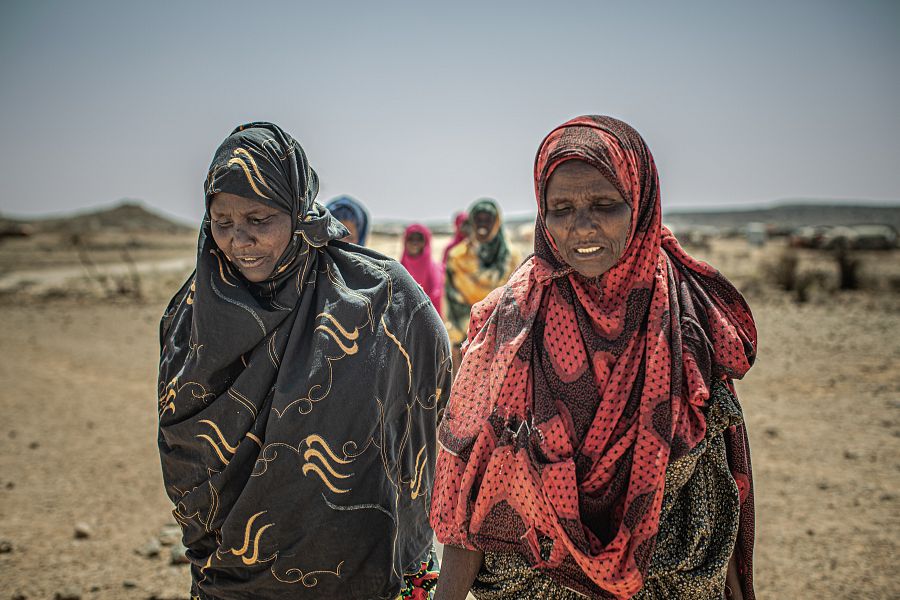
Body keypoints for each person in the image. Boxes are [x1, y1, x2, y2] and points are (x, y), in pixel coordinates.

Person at [430, 116, 757, 600]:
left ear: (640, 203)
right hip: (534, 582)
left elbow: (716, 478)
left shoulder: (686, 318)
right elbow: (472, 488)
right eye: (561, 209)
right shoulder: (513, 321)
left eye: (605, 205)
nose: (582, 227)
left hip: (667, 580)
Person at [157, 122, 450, 600]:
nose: (239, 241)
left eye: (259, 219)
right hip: (232, 578)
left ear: (296, 211)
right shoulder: (190, 317)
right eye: (222, 222)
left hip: (364, 572)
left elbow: (435, 387)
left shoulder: (376, 295)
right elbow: (184, 447)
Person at [443, 199, 519, 371]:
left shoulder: (511, 257)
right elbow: (451, 299)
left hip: (502, 339)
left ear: (496, 223)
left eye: (488, 220)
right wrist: (462, 335)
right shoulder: (457, 256)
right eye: (478, 219)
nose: (482, 225)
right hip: (464, 340)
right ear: (471, 222)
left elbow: (516, 298)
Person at [401, 223, 443, 314]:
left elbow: (436, 295)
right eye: (411, 239)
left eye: (419, 239)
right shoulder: (400, 267)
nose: (414, 243)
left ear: (426, 242)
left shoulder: (435, 269)